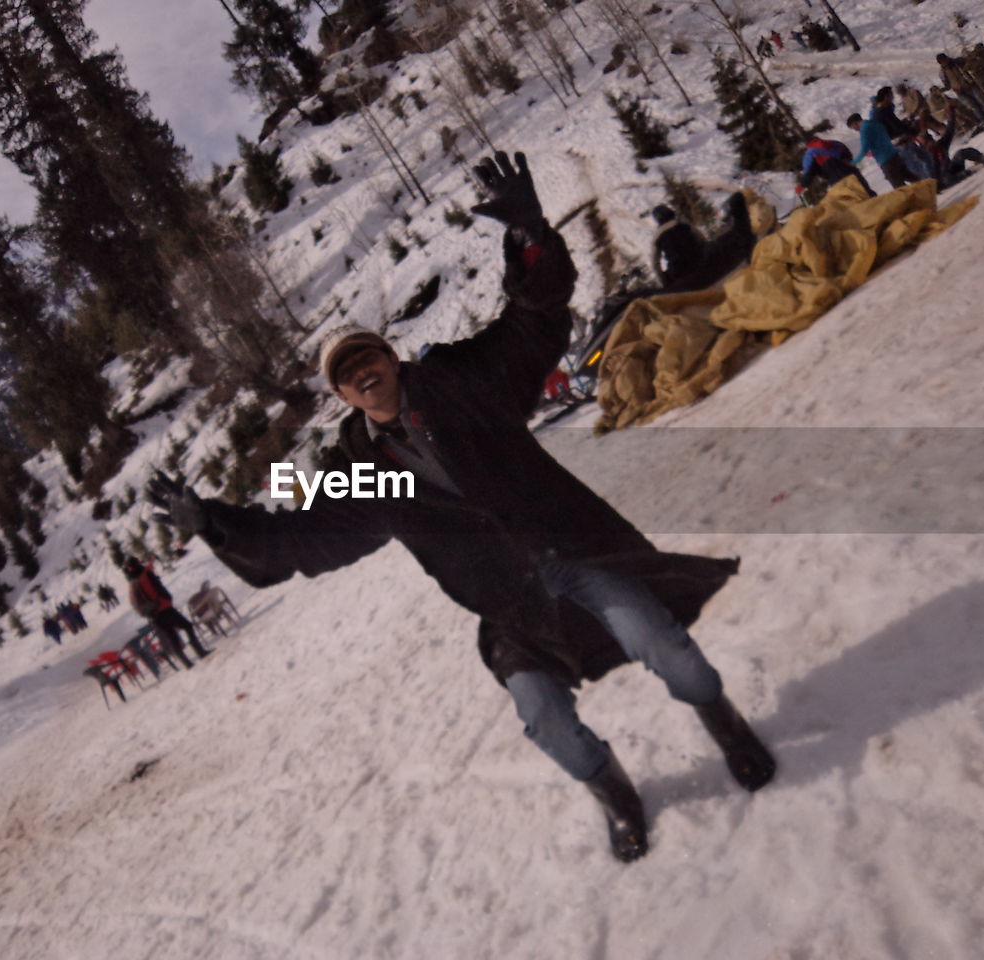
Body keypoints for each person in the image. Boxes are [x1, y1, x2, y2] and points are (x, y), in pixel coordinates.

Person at [147, 152, 774, 864]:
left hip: (575, 555)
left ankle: (726, 726)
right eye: (347, 373)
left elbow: (533, 325)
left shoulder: (460, 382)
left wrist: (530, 237)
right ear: (344, 398)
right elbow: (307, 536)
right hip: (510, 605)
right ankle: (615, 793)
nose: (361, 371)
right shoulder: (362, 471)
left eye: (367, 355)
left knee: (661, 639)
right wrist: (216, 523)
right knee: (544, 722)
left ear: (390, 356)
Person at [122, 556, 208, 667]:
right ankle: (199, 651)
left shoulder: (132, 583)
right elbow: (154, 584)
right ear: (136, 564)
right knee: (187, 626)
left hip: (153, 615)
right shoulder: (144, 574)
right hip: (164, 608)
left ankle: (186, 662)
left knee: (172, 637)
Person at [848, 112, 915, 188]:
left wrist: (853, 163)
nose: (854, 129)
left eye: (852, 127)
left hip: (885, 160)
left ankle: (916, 198)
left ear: (854, 123)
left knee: (899, 186)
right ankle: (928, 189)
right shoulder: (874, 123)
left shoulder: (864, 129)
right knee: (910, 177)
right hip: (894, 154)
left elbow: (864, 149)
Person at [796, 134, 876, 197]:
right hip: (851, 171)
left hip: (836, 178)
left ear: (808, 145)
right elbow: (849, 156)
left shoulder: (810, 153)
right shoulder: (834, 143)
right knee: (866, 191)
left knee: (853, 199)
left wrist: (802, 185)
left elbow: (810, 172)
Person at [649, 205, 703, 287]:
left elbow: (655, 264)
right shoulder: (683, 223)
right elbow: (701, 238)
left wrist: (664, 282)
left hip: (678, 271)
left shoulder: (657, 235)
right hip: (699, 260)